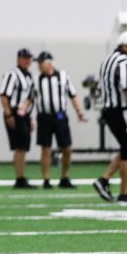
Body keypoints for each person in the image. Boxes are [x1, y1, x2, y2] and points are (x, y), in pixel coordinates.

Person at [92, 31, 127, 205]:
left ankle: (104, 180)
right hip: (123, 110)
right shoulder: (124, 63)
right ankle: (124, 194)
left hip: (110, 110)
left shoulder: (108, 60)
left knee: (126, 147)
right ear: (125, 46)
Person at [33, 51, 87, 189]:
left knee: (67, 148)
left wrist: (79, 111)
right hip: (44, 116)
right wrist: (25, 112)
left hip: (60, 116)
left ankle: (65, 177)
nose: (38, 66)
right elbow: (31, 98)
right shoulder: (37, 79)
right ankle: (46, 179)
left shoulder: (63, 76)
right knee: (46, 148)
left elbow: (72, 94)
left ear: (49, 63)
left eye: (40, 63)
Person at [0, 48, 37, 189]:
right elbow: (3, 95)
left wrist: (30, 116)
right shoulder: (12, 74)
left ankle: (21, 177)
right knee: (19, 146)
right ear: (19, 59)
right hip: (14, 113)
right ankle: (19, 178)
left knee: (23, 147)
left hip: (24, 114)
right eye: (25, 58)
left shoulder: (28, 76)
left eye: (29, 58)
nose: (27, 61)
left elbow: (29, 98)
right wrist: (8, 113)